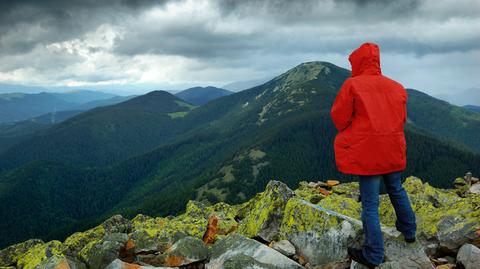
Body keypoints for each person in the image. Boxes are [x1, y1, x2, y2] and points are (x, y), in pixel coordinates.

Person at [330, 42, 417, 268]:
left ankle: (373, 255)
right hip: (393, 148)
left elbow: (340, 118)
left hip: (367, 152)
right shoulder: (397, 87)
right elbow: (401, 119)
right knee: (396, 189)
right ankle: (409, 232)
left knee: (370, 203)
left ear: (358, 62)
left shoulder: (352, 85)